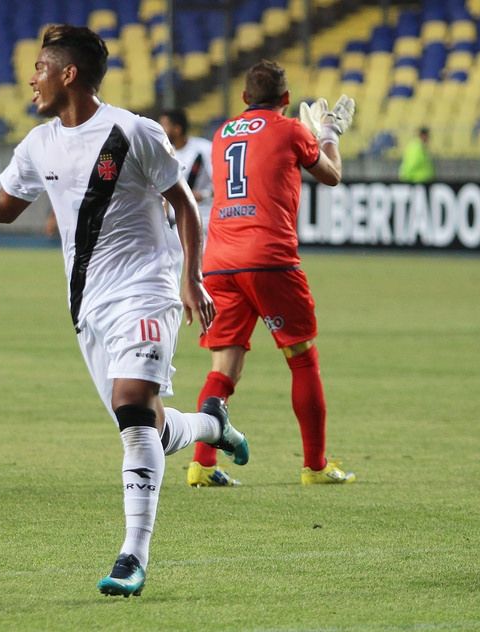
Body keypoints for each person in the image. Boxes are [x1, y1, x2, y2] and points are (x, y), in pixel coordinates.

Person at [0, 24, 249, 598]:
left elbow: (186, 204)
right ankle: (211, 425)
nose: (31, 78)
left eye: (41, 67)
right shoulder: (39, 144)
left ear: (68, 74)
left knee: (132, 408)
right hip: (88, 306)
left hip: (148, 290)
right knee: (143, 421)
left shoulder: (133, 131)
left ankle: (132, 556)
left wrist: (191, 278)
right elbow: (2, 206)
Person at [186, 60, 356, 488]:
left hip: (220, 260)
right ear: (286, 99)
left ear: (244, 98)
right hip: (270, 258)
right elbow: (331, 176)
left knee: (224, 365)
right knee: (302, 359)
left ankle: (201, 464)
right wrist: (329, 135)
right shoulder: (291, 130)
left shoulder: (222, 135)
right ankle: (315, 467)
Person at [159, 109, 213, 232]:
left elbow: (222, 184)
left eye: (164, 125)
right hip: (177, 224)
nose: (160, 130)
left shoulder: (204, 148)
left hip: (204, 222)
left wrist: (204, 195)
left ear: (177, 129)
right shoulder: (164, 154)